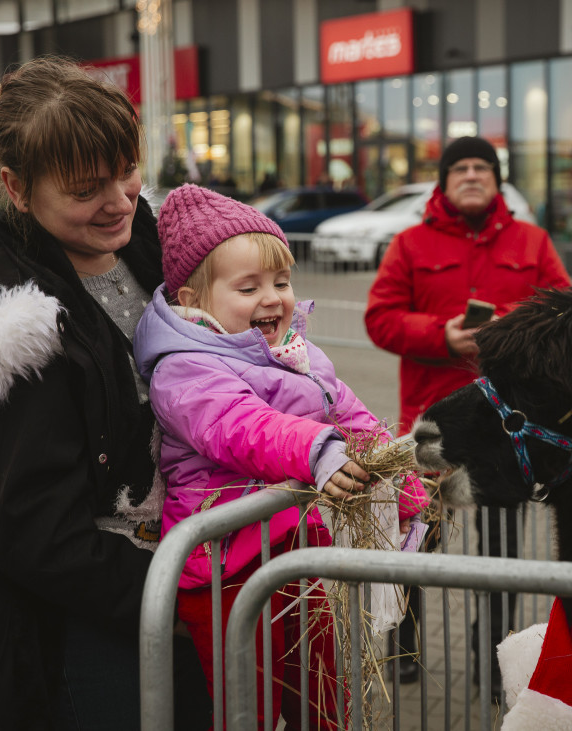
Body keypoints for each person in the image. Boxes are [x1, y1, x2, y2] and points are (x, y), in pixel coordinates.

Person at [0, 57, 210, 729]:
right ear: (18, 189)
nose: (119, 198)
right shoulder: (9, 324)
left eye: (126, 170)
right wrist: (182, 595)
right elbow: (40, 534)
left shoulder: (151, 248)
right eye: (84, 188)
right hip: (77, 633)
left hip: (165, 596)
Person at [133, 183, 429, 728]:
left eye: (282, 282)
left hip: (297, 549)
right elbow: (242, 428)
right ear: (192, 299)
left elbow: (348, 411)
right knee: (249, 706)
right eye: (249, 287)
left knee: (319, 698)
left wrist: (399, 475)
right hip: (227, 565)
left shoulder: (295, 351)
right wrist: (321, 450)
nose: (273, 298)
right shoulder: (183, 368)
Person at [364, 135, 572, 690]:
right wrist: (441, 336)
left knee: (500, 554)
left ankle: (491, 654)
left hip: (509, 433)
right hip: (432, 428)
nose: (474, 175)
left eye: (484, 167)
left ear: (498, 179)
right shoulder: (409, 244)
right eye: (462, 168)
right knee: (416, 544)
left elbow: (563, 320)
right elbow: (380, 318)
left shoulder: (533, 241)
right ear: (444, 181)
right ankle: (402, 647)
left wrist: (504, 331)